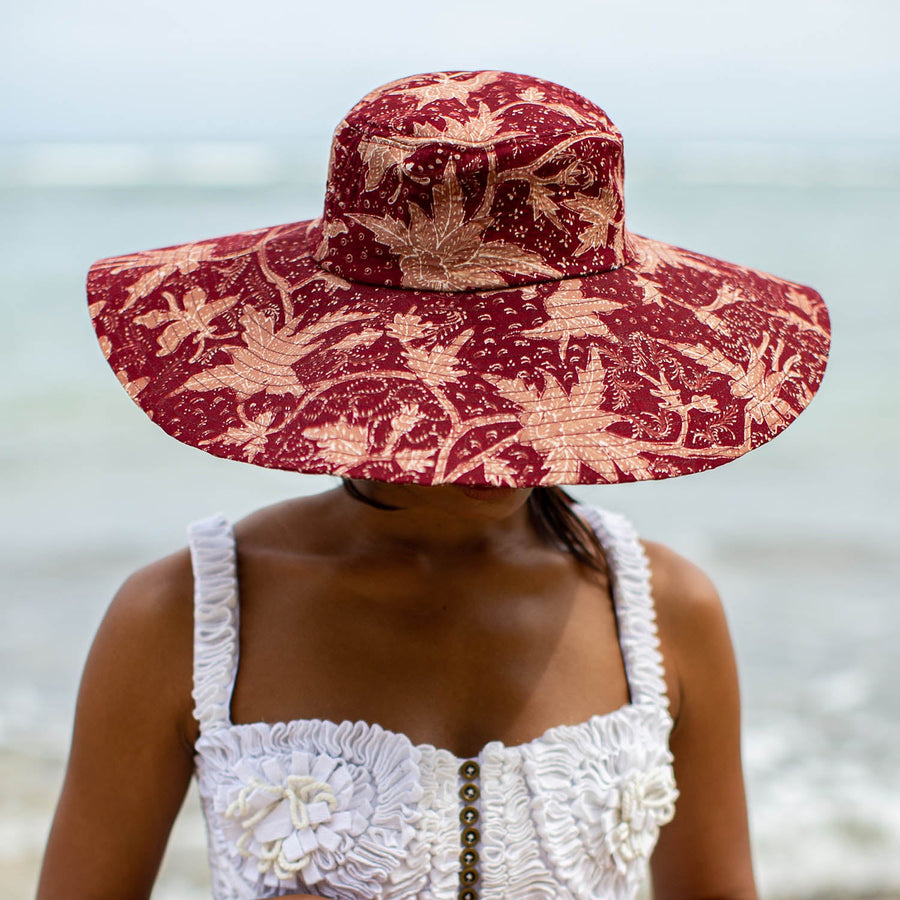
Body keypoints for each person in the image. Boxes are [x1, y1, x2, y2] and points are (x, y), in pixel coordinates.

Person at [37, 70, 830, 900]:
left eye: (540, 371)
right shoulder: (183, 618)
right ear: (352, 365)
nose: (505, 424)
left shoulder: (665, 614)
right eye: (474, 381)